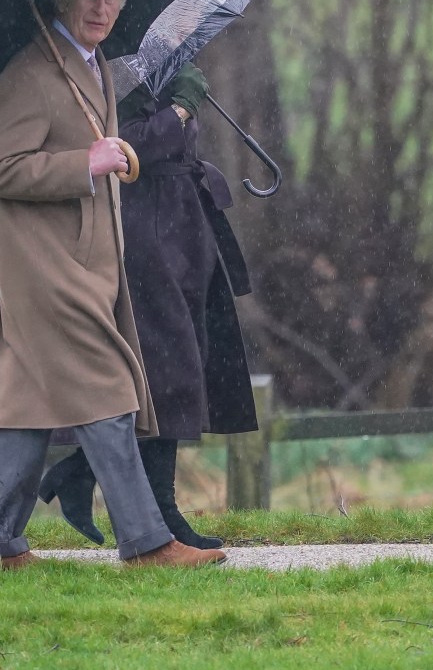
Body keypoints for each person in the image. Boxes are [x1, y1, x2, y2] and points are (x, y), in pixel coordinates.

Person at [0, 0, 227, 569]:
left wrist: (123, 150)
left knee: (23, 405)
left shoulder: (93, 69)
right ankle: (148, 543)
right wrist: (87, 163)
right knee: (109, 386)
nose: (100, 8)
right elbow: (1, 170)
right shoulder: (29, 75)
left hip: (87, 264)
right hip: (49, 269)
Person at [38, 61, 258, 549]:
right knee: (164, 374)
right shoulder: (115, 71)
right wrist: (179, 109)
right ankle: (158, 511)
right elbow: (128, 150)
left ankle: (86, 476)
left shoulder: (162, 63)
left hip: (184, 227)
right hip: (147, 233)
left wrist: (182, 100)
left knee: (181, 371)